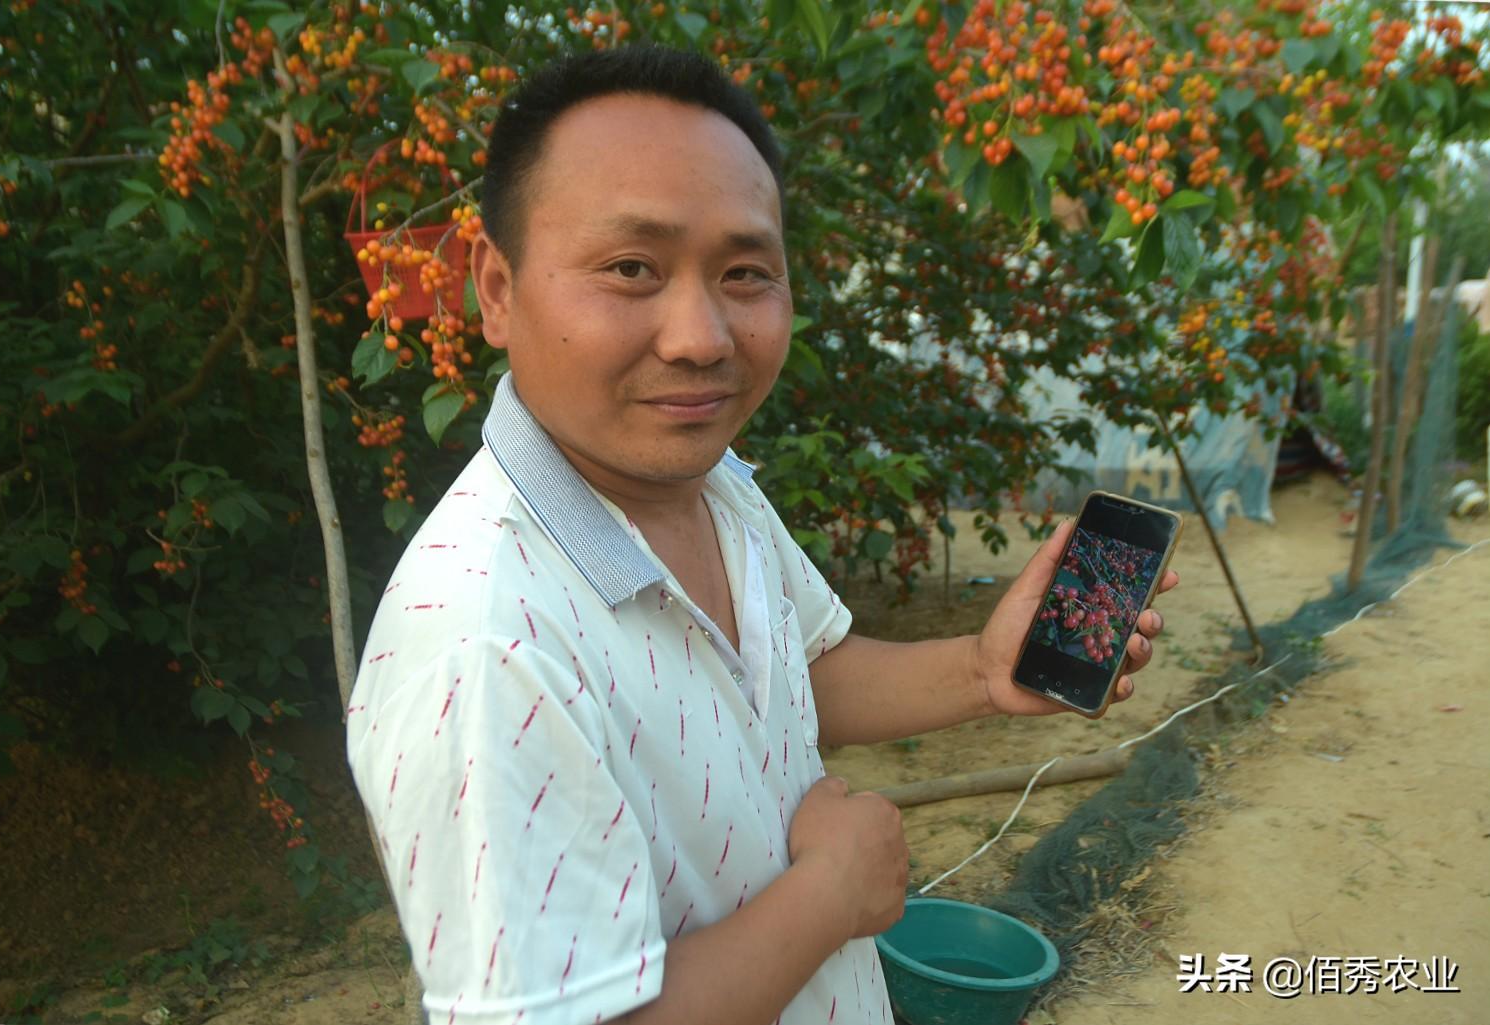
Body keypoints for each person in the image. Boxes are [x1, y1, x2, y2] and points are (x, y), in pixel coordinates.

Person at [344, 44, 1177, 1025]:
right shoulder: (484, 643)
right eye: (629, 267)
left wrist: (979, 669)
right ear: (493, 287)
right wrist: (829, 895)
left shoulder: (710, 480)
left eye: (745, 272)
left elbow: (788, 675)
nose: (700, 336)